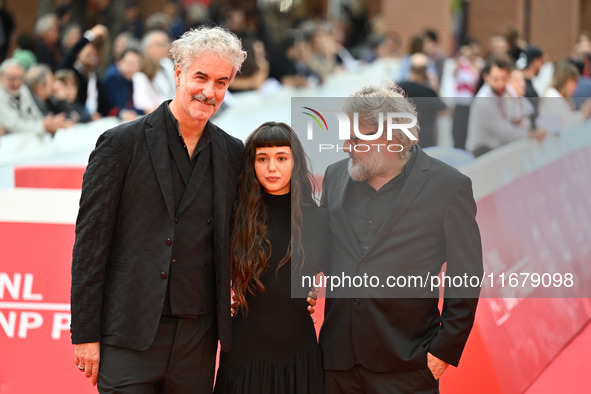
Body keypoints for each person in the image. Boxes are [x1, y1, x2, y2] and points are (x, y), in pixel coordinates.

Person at [70, 26, 247, 393]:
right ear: (179, 73)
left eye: (221, 82)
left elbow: (253, 233)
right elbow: (90, 245)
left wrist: (303, 281)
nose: (209, 91)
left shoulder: (233, 154)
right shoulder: (121, 144)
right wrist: (85, 334)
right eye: (201, 77)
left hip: (198, 339)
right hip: (128, 333)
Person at [319, 82, 483, 393]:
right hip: (337, 361)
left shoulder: (449, 187)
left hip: (407, 362)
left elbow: (467, 273)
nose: (345, 146)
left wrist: (444, 349)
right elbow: (321, 250)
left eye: (357, 138)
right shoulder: (335, 176)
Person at [215, 121, 329, 394]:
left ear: (296, 162)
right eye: (262, 158)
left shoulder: (318, 219)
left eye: (281, 158)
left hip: (299, 352)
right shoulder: (234, 216)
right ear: (251, 164)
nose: (272, 167)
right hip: (244, 352)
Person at [0, 59, 72, 136]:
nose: (16, 83)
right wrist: (43, 126)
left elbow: (36, 115)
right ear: (1, 77)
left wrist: (51, 123)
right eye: (12, 79)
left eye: (20, 78)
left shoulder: (23, 90)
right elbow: (13, 125)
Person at [398, 53, 447, 148]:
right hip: (424, 142)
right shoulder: (429, 92)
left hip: (400, 141)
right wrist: (436, 88)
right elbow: (445, 111)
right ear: (425, 71)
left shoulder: (396, 88)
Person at [538, 59, 591, 133]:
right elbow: (564, 124)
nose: (575, 87)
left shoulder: (561, 97)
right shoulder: (552, 96)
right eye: (574, 82)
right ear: (565, 80)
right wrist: (583, 114)